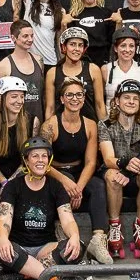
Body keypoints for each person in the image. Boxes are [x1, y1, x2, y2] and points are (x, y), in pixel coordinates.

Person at [0, 136, 97, 280]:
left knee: (78, 247)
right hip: (19, 247)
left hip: (46, 248)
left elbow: (68, 220)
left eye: (44, 156)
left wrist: (75, 236)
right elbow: (4, 219)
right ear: (26, 160)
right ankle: (56, 279)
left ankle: (23, 274)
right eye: (35, 156)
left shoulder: (56, 187)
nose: (40, 160)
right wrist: (2, 239)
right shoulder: (13, 187)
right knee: (0, 250)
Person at [41, 76, 110, 264]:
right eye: (69, 95)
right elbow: (42, 163)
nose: (75, 99)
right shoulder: (50, 125)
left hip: (79, 171)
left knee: (98, 185)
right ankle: (64, 235)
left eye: (79, 95)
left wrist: (78, 188)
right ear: (62, 99)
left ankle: (97, 240)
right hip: (55, 171)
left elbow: (90, 162)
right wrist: (67, 182)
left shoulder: (90, 124)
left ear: (84, 98)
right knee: (64, 182)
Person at [98, 79, 140, 258]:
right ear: (117, 100)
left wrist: (133, 168)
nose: (131, 102)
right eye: (126, 97)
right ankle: (114, 226)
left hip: (137, 171)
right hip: (116, 168)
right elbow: (108, 159)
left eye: (135, 98)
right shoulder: (105, 124)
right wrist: (123, 165)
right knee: (113, 176)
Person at [0, 76, 38, 255]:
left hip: (21, 171)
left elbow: (29, 159)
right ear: (1, 98)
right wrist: (3, 181)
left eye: (22, 96)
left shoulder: (32, 121)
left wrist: (10, 182)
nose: (19, 101)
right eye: (14, 96)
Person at [45, 26, 105, 122]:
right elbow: (50, 108)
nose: (77, 49)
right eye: (72, 44)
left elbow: (99, 104)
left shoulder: (93, 69)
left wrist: (103, 129)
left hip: (89, 126)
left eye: (80, 45)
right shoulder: (52, 73)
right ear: (64, 47)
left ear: (84, 49)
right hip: (61, 126)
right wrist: (48, 128)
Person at [0, 20, 44, 126]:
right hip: (14, 124)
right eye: (25, 36)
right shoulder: (3, 65)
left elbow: (42, 94)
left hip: (37, 120)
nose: (30, 39)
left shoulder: (39, 60)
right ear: (13, 38)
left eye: (32, 36)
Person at [67, 0, 112, 66]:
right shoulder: (73, 15)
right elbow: (67, 42)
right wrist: (63, 24)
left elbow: (114, 40)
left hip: (103, 60)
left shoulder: (107, 13)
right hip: (80, 60)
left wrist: (119, 22)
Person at [102, 27, 140, 106]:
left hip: (136, 113)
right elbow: (100, 99)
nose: (127, 50)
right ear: (115, 48)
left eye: (131, 46)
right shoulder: (105, 69)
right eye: (123, 45)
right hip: (111, 113)